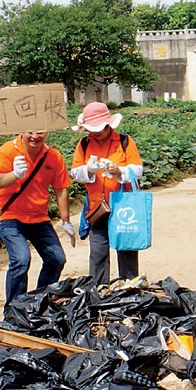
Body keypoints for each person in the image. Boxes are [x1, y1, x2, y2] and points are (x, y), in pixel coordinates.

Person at [0, 130, 74, 307]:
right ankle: (14, 309)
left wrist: (66, 220)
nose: (35, 136)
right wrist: (15, 174)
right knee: (21, 260)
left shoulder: (53, 156)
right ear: (22, 131)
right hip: (9, 215)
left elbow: (61, 189)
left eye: (40, 132)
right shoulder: (8, 151)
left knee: (57, 259)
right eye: (30, 132)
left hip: (38, 217)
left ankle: (40, 302)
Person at [70, 102, 145, 284]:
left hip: (123, 207)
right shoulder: (84, 144)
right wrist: (89, 169)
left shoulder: (124, 142)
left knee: (126, 249)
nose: (97, 133)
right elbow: (75, 173)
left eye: (101, 129)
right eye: (92, 129)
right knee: (98, 252)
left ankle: (128, 288)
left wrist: (119, 171)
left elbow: (138, 170)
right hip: (97, 207)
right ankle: (99, 290)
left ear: (108, 125)